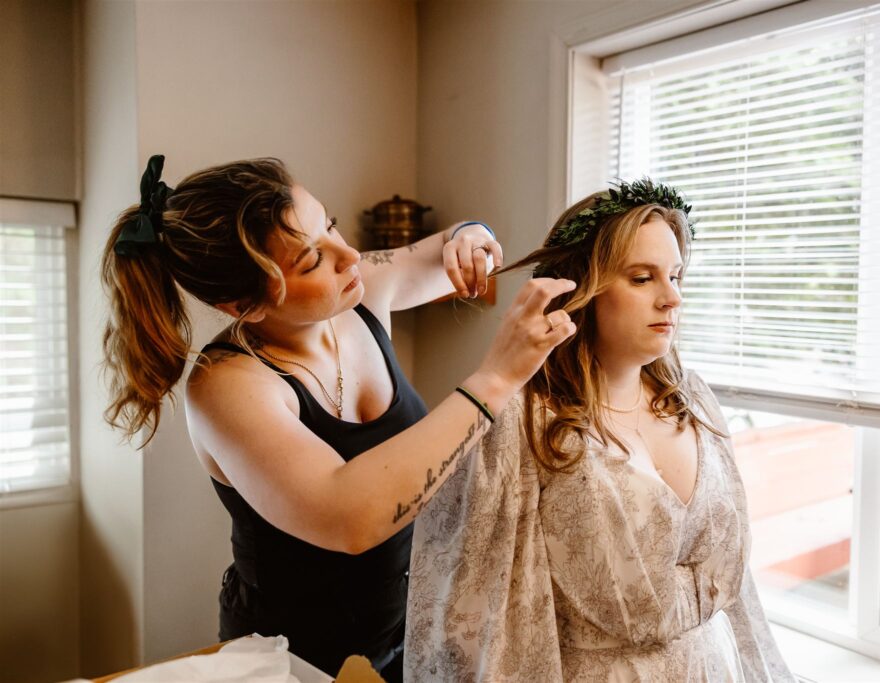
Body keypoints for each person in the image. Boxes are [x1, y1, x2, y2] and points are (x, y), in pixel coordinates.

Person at [100, 155, 577, 680]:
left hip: (404, 629)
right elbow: (350, 517)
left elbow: (447, 246)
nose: (349, 255)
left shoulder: (358, 288)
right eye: (311, 260)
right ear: (244, 306)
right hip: (290, 656)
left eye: (328, 223)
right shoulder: (228, 385)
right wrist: (496, 379)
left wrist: (473, 234)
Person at [405, 179, 795, 681]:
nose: (672, 297)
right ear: (580, 288)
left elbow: (739, 598)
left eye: (676, 276)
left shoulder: (695, 403)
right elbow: (475, 615)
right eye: (641, 278)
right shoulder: (524, 424)